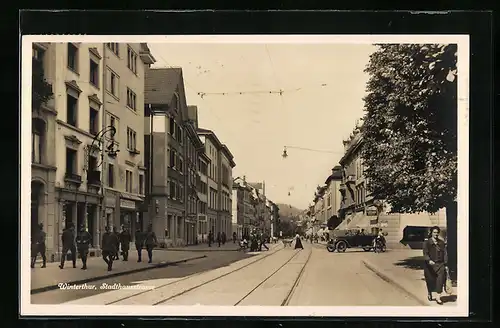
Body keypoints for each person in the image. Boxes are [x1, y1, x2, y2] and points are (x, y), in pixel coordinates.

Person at [423, 226, 448, 305]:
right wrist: (429, 260)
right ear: (431, 233)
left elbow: (445, 253)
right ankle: (430, 292)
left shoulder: (441, 242)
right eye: (434, 232)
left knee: (440, 280)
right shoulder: (427, 243)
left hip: (440, 264)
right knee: (430, 280)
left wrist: (446, 264)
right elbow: (425, 253)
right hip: (430, 265)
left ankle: (438, 297)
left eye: (437, 232)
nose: (436, 234)